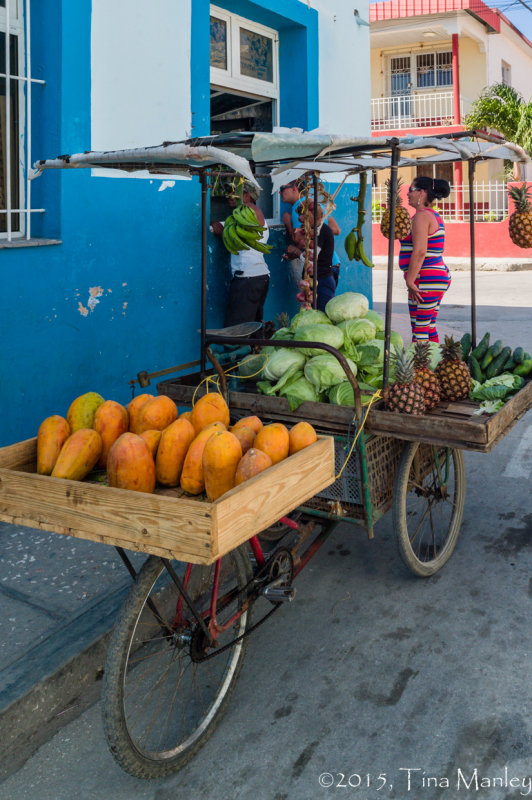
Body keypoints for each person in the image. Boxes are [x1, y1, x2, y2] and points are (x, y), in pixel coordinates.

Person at [398, 176, 451, 342]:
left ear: (421, 193)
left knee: (419, 331)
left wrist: (410, 281)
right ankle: (434, 366)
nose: (407, 194)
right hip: (433, 277)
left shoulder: (421, 216)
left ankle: (422, 368)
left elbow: (420, 251)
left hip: (426, 279)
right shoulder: (430, 214)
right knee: (428, 327)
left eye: (411, 190)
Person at [211, 184, 270, 327]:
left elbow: (231, 234)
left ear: (247, 196)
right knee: (251, 327)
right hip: (259, 276)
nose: (229, 195)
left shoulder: (249, 209)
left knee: (237, 328)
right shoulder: (245, 216)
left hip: (248, 278)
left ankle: (238, 348)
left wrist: (223, 231)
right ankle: (253, 349)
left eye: (234, 192)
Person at [280, 180, 341, 287]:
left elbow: (298, 241)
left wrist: (288, 222)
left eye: (282, 189)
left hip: (320, 270)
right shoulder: (315, 205)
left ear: (294, 188)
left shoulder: (301, 208)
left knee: (318, 301)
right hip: (333, 263)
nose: (280, 193)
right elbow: (336, 230)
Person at [283, 201, 336, 312]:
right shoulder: (314, 230)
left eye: (303, 216)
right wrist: (294, 255)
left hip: (321, 282)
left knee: (321, 317)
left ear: (312, 217)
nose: (300, 219)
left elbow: (312, 258)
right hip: (316, 282)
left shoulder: (321, 231)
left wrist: (296, 251)